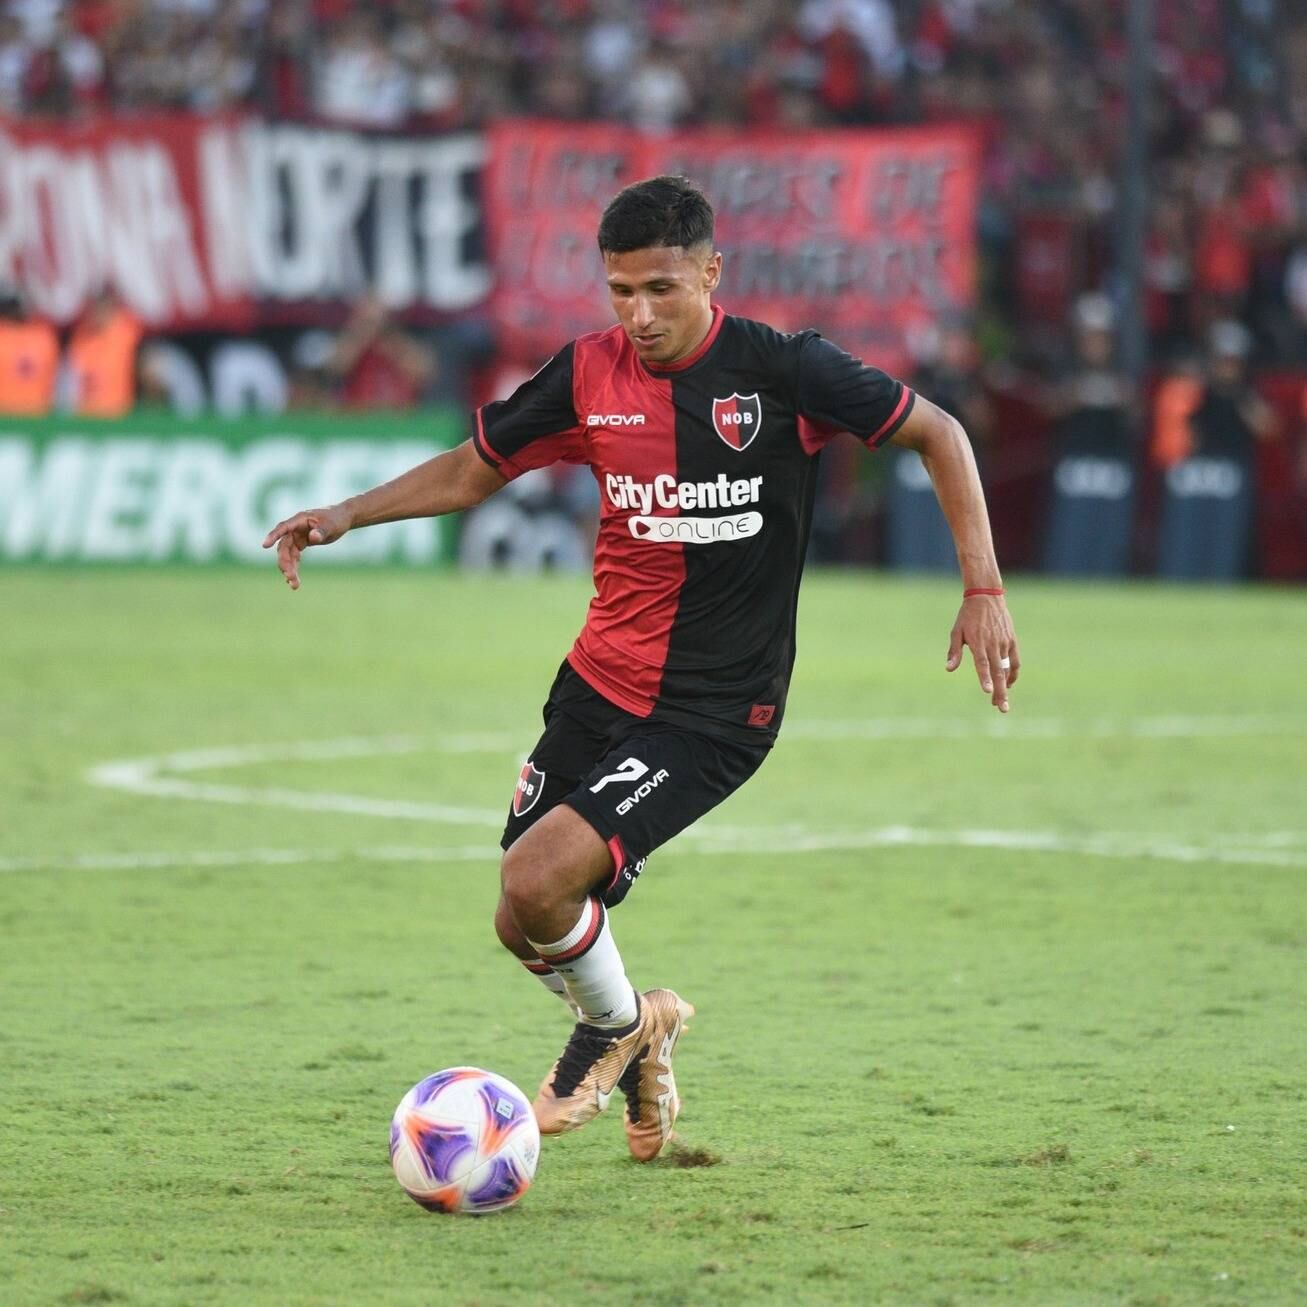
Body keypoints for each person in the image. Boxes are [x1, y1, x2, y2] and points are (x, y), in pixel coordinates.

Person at [262, 176, 1019, 1162]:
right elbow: (474, 465)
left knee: (537, 876)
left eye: (660, 288)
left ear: (711, 271)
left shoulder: (784, 371)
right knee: (519, 917)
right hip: (596, 681)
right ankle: (644, 1025)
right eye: (619, 291)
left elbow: (938, 431)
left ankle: (609, 1031)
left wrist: (982, 585)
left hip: (712, 710)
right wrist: (349, 512)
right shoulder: (586, 375)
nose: (639, 314)